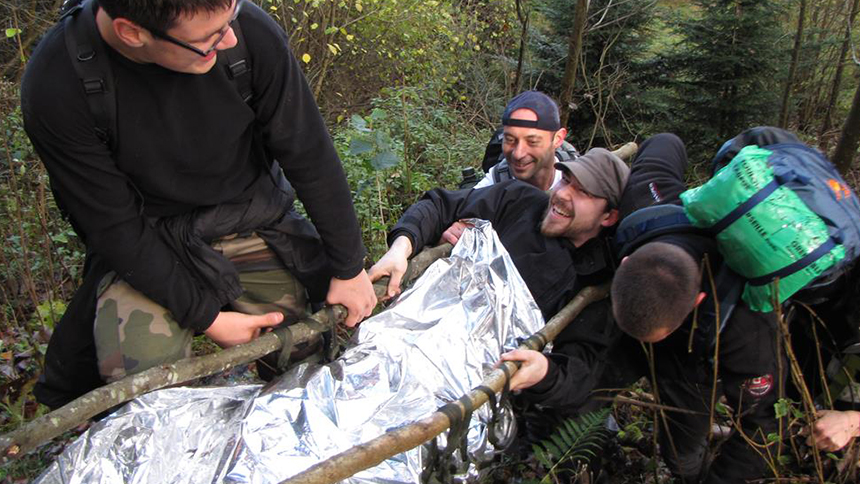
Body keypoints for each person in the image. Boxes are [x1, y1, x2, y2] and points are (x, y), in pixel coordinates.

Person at [21, 0, 376, 408]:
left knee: (303, 359)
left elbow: (308, 152)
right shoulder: (58, 84)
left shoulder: (246, 31)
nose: (229, 38)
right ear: (132, 33)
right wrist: (207, 317)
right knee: (145, 384)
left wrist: (349, 266)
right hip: (151, 242)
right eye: (209, 39)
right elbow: (113, 227)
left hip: (251, 219)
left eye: (231, 19)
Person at [369, 146, 629, 422]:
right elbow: (441, 205)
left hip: (464, 394)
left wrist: (544, 373)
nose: (563, 194)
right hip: (404, 337)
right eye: (566, 181)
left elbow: (580, 377)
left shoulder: (595, 283)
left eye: (583, 193)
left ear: (608, 216)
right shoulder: (519, 202)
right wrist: (402, 246)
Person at [609, 132, 788, 483]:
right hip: (672, 338)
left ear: (697, 301)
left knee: (682, 443)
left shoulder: (745, 324)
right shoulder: (645, 207)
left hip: (695, 360)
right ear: (625, 261)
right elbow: (664, 143)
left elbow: (766, 425)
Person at [442, 91, 576, 244]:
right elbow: (452, 209)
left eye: (532, 142)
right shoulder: (498, 177)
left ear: (557, 139)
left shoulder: (576, 180)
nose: (518, 154)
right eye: (510, 140)